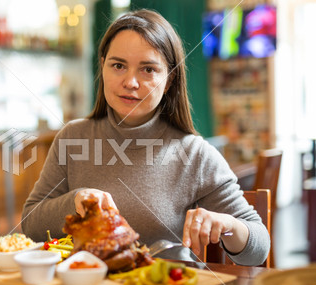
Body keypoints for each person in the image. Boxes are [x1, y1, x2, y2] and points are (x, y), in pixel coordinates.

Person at [22, 9, 270, 266]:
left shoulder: (195, 153)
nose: (130, 81)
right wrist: (75, 201)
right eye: (118, 65)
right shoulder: (72, 137)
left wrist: (228, 225)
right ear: (103, 66)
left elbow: (259, 249)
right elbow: (29, 225)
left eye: (148, 69)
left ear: (169, 80)